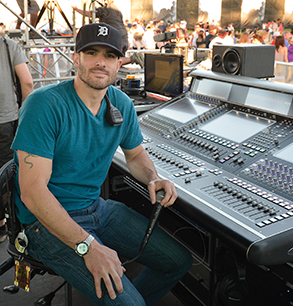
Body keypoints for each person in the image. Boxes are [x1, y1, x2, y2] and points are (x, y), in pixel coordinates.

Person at [11, 23, 192, 305]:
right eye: (91, 52)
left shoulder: (121, 103)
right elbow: (33, 193)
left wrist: (152, 177)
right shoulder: (44, 105)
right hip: (43, 225)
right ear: (76, 58)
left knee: (177, 261)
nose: (100, 62)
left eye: (109, 56)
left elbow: (135, 155)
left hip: (97, 208)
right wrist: (88, 246)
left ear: (120, 62)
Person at [0, 32, 34, 242]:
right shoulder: (8, 45)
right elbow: (27, 82)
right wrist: (27, 115)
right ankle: (8, 226)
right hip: (5, 119)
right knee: (7, 175)